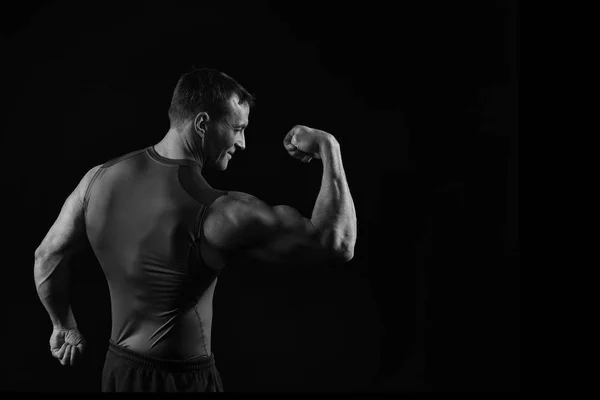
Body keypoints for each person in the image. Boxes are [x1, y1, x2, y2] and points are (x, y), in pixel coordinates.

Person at [33, 68, 357, 392]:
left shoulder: (96, 180)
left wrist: (63, 325)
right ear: (202, 124)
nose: (242, 143)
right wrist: (330, 148)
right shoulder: (219, 213)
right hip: (182, 382)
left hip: (119, 373)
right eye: (237, 129)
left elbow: (48, 255)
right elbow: (338, 244)